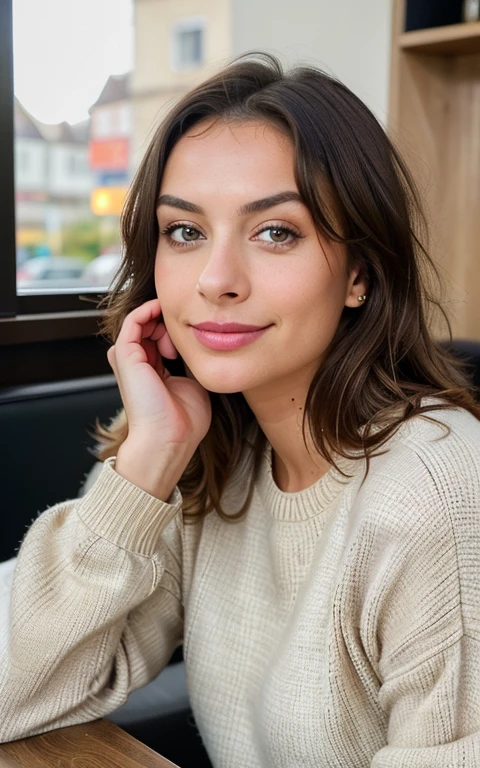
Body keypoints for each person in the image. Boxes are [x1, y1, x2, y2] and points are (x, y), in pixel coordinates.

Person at [1, 52, 480, 767]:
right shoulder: (212, 460)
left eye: (275, 232)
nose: (217, 280)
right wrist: (148, 460)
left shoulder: (435, 495)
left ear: (360, 273)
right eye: (185, 232)